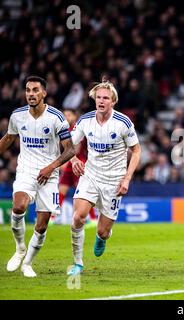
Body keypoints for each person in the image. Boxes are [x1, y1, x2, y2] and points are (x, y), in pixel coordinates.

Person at [1, 76, 75, 277]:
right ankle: (19, 249)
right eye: (28, 90)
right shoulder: (17, 116)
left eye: (35, 90)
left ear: (44, 93)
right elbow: (8, 138)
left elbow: (70, 150)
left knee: (41, 226)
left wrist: (51, 167)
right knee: (18, 207)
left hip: (49, 175)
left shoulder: (56, 117)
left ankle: (28, 263)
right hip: (26, 170)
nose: (31, 94)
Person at [66, 80, 141, 276]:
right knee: (78, 216)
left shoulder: (123, 123)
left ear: (113, 101)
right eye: (98, 97)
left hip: (114, 181)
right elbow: (67, 145)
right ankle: (78, 263)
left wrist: (126, 179)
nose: (101, 101)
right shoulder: (85, 120)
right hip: (90, 175)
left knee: (102, 232)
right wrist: (74, 159)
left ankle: (103, 236)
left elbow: (136, 150)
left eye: (105, 98)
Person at [56, 108, 97, 227]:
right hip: (70, 163)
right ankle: (53, 218)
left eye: (69, 115)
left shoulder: (77, 128)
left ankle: (94, 219)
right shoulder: (64, 130)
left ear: (74, 116)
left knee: (85, 192)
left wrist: (64, 162)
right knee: (62, 190)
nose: (66, 117)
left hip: (79, 162)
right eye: (65, 115)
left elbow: (76, 149)